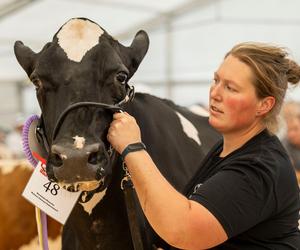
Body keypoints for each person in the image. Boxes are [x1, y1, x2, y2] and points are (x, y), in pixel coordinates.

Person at [108, 42, 300, 249]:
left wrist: (133, 148)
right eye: (216, 80)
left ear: (264, 105)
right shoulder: (225, 150)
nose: (215, 93)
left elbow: (183, 230)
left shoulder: (258, 167)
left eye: (230, 88)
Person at [281, 110, 300, 183]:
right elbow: (290, 174)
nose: (291, 134)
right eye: (289, 130)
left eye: (295, 129)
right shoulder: (283, 144)